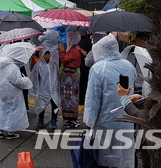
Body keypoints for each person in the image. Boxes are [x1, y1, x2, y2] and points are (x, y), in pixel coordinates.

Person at [84, 34, 136, 168]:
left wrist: (89, 122)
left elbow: (92, 100)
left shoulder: (98, 68)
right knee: (125, 156)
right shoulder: (128, 65)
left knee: (106, 157)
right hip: (127, 119)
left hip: (106, 121)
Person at [0, 55, 33, 139]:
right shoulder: (13, 67)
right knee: (13, 110)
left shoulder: (0, 67)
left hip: (2, 92)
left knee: (3, 110)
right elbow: (17, 81)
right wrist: (26, 79)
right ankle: (10, 131)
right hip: (13, 92)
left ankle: (1, 129)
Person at [30, 30, 61, 129]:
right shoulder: (39, 66)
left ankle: (54, 120)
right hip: (43, 89)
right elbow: (35, 78)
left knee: (55, 104)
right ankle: (40, 119)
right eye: (46, 54)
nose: (48, 56)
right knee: (41, 105)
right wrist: (36, 89)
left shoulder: (54, 65)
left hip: (54, 88)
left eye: (49, 54)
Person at [58, 32, 86, 128]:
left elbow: (65, 60)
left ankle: (72, 119)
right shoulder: (74, 49)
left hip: (69, 76)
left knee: (70, 97)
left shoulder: (74, 50)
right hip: (69, 76)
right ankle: (68, 118)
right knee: (67, 97)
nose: (67, 40)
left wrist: (61, 51)